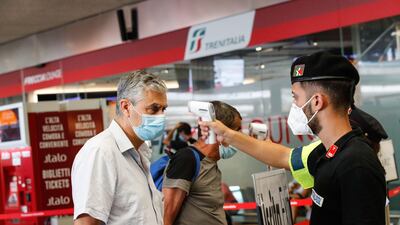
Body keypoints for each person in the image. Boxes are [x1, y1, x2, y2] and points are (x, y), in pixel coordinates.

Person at [200, 51, 387, 225]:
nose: (294, 106)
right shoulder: (327, 151)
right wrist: (228, 135)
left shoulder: (357, 164)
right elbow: (283, 156)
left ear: (316, 102)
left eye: (295, 98)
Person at [72, 71, 167, 225]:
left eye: (164, 109)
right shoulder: (101, 152)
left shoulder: (139, 153)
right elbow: (86, 223)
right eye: (154, 109)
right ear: (126, 107)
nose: (161, 116)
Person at [163, 101, 242, 225]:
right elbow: (166, 217)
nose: (239, 138)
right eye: (236, 132)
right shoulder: (187, 159)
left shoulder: (210, 162)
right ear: (216, 131)